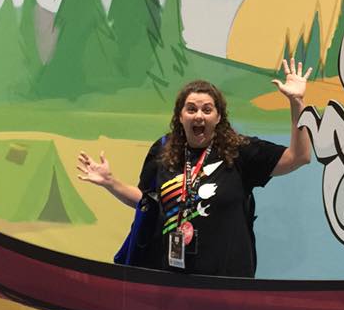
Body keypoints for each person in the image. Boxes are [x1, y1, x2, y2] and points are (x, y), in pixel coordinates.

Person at [76, 59, 312, 277]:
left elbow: (299, 156)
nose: (199, 116)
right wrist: (110, 183)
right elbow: (147, 201)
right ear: (180, 116)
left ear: (218, 117)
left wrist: (296, 102)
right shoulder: (163, 149)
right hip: (170, 278)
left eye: (207, 110)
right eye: (191, 109)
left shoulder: (240, 151)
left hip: (226, 283)